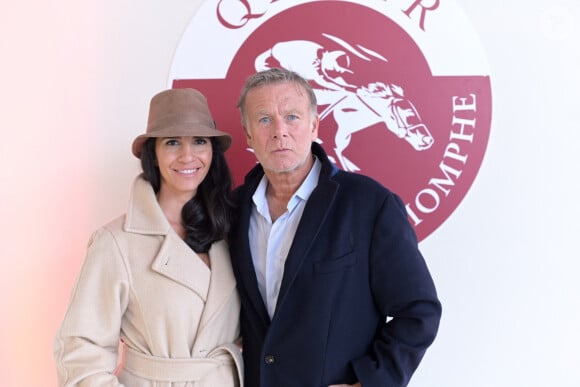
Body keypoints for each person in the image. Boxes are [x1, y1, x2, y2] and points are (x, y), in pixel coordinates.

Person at [228, 67, 442, 387]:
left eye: (292, 117)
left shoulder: (370, 204)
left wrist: (369, 382)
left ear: (315, 125)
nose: (279, 131)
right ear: (247, 135)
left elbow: (419, 311)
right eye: (263, 119)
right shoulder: (233, 210)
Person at [54, 88, 243, 386]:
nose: (187, 155)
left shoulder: (230, 232)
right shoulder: (116, 242)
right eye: (172, 142)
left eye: (199, 141)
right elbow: (80, 351)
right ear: (152, 154)